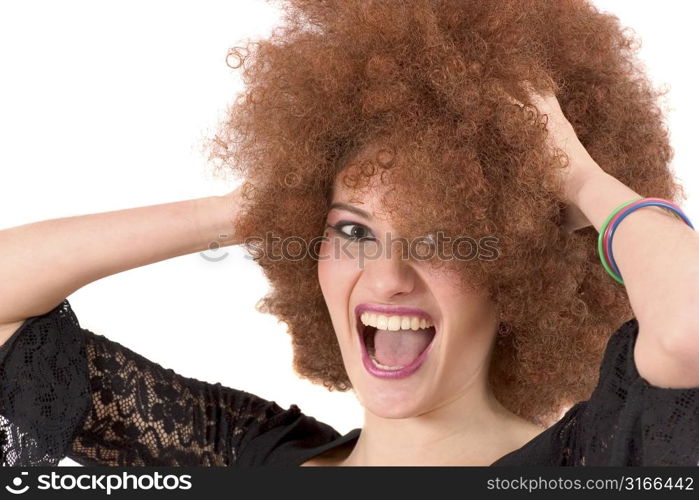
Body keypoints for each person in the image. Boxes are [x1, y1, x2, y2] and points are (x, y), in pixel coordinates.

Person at [1, 0, 698, 466]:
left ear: (520, 272)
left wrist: (582, 183)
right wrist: (260, 207)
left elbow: (685, 332)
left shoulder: (595, 460)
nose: (389, 275)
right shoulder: (242, 452)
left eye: (445, 239)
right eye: (354, 233)